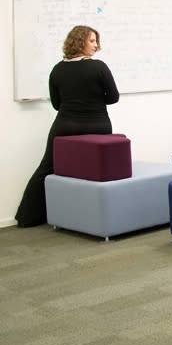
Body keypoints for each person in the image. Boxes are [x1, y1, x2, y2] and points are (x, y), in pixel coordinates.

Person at [15, 25, 120, 228]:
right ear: (80, 42)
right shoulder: (99, 67)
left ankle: (26, 218)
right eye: (92, 41)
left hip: (65, 125)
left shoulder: (58, 69)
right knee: (97, 172)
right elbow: (113, 97)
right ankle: (91, 219)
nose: (96, 45)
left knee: (46, 168)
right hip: (98, 127)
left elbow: (56, 104)